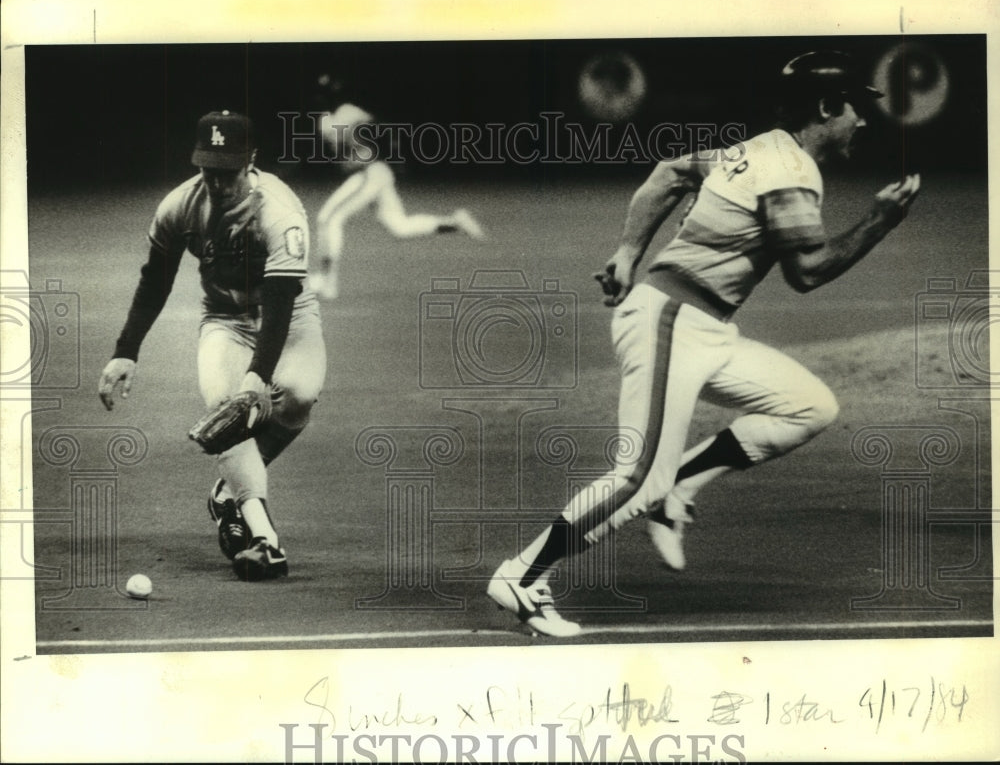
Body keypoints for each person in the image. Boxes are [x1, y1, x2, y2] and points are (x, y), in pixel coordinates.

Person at [487, 50, 922, 636]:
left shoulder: (757, 150)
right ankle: (522, 576)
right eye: (855, 109)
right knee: (637, 476)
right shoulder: (792, 172)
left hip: (702, 326)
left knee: (810, 406)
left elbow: (670, 172)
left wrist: (626, 253)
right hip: (672, 322)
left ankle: (680, 488)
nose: (863, 121)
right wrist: (880, 220)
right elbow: (808, 273)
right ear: (825, 107)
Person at [98, 110, 327, 582]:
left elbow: (282, 301)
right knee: (230, 414)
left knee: (299, 398)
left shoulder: (280, 210)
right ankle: (265, 538)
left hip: (292, 316)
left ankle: (227, 492)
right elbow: (155, 279)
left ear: (252, 162)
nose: (218, 181)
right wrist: (126, 350)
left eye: (229, 170)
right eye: (209, 169)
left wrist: (258, 377)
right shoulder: (179, 206)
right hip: (223, 320)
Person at [309, 75, 485, 300]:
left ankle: (327, 282)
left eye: (324, 94)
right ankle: (455, 222)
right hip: (371, 174)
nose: (321, 98)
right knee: (399, 227)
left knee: (329, 219)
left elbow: (381, 129)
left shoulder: (347, 112)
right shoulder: (330, 118)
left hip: (368, 173)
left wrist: (390, 153)